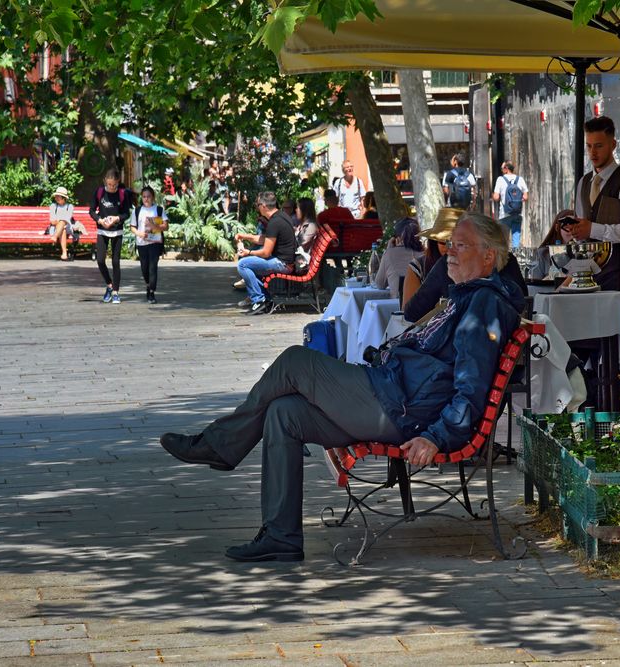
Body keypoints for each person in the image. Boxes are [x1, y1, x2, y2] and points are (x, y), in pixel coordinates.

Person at [158, 213, 524, 563]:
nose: (449, 253)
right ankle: (280, 537)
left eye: (461, 246)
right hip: (394, 394)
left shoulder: (484, 303)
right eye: (450, 245)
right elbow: (416, 312)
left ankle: (220, 445)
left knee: (294, 362)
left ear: (489, 256)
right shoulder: (467, 294)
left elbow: (471, 387)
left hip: (401, 408)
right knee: (284, 413)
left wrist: (438, 436)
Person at [404, 217, 528, 323]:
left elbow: (412, 314)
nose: (450, 250)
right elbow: (525, 307)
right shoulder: (509, 261)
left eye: (461, 245)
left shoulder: (449, 262)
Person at [571, 116, 620, 247]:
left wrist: (593, 230)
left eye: (599, 146)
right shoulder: (583, 183)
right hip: (588, 265)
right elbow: (581, 229)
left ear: (613, 145)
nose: (592, 152)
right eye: (589, 146)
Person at [234, 191, 298, 315]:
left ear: (263, 206)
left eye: (257, 205)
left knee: (243, 264)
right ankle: (265, 299)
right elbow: (265, 239)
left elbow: (266, 253)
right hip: (286, 261)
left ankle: (259, 300)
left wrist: (248, 252)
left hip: (282, 264)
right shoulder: (282, 216)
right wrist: (245, 236)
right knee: (251, 266)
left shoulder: (275, 222)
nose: (257, 207)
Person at [89, 169, 132, 304]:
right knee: (100, 260)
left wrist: (116, 218)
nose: (112, 187)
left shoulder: (122, 194)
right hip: (102, 230)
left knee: (115, 262)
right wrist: (100, 220)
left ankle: (116, 292)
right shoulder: (100, 192)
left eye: (114, 184)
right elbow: (91, 210)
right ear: (105, 182)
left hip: (117, 231)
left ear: (118, 182)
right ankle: (109, 285)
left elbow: (126, 213)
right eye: (109, 184)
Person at [402, 208, 459, 307]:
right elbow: (407, 312)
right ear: (434, 243)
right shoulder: (418, 266)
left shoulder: (474, 267)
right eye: (443, 242)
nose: (449, 248)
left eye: (457, 244)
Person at [130, 186, 168, 304]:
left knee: (153, 267)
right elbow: (132, 227)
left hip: (155, 243)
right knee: (144, 268)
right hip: (142, 243)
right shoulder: (137, 211)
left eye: (148, 197)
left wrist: (156, 227)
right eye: (144, 197)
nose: (146, 199)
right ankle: (148, 284)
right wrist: (139, 234)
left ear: (153, 197)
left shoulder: (159, 210)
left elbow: (166, 226)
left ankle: (152, 291)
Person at [374, 217, 424, 301]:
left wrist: (388, 250)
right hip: (425, 308)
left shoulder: (389, 254)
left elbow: (380, 284)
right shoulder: (426, 253)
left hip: (398, 308)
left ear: (397, 239)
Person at [491, 161, 529, 249]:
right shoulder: (520, 179)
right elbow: (526, 197)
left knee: (504, 240)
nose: (501, 170)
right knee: (516, 238)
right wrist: (516, 202)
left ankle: (506, 260)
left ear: (506, 169)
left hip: (504, 214)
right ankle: (516, 257)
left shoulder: (500, 179)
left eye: (502, 168)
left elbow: (496, 197)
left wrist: (493, 196)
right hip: (518, 213)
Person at [530, 210, 577, 280]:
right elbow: (534, 284)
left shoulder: (583, 253)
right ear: (557, 227)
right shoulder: (542, 254)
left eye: (575, 227)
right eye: (567, 227)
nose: (572, 232)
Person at [47, 186, 75, 262]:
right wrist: (61, 222)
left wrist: (60, 221)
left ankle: (55, 237)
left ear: (63, 198)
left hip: (68, 227)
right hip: (55, 228)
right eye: (56, 196)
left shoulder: (70, 206)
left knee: (63, 222)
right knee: (63, 229)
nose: (56, 197)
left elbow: (67, 219)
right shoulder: (53, 206)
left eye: (58, 196)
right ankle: (64, 254)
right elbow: (52, 221)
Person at [293, 197, 319, 270]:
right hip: (296, 258)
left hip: (301, 262)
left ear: (304, 210)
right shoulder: (304, 224)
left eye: (297, 208)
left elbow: (301, 244)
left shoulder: (311, 226)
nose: (296, 210)